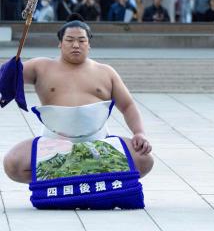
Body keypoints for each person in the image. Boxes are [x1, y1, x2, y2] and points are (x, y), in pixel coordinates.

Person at [2, 15, 154, 187]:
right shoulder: (41, 67)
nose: (76, 45)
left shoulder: (106, 72)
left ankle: (76, 178)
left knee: (144, 160)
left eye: (82, 40)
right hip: (53, 143)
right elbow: (7, 77)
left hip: (98, 142)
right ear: (60, 43)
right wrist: (12, 68)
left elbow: (127, 106)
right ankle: (68, 178)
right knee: (13, 164)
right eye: (70, 40)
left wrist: (139, 133)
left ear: (89, 44)